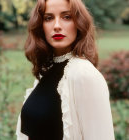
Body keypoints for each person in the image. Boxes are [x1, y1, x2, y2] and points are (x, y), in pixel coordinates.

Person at [16, 0, 115, 140]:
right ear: (40, 25)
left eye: (67, 17)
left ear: (79, 23)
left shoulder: (84, 75)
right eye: (48, 18)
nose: (57, 26)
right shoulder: (47, 71)